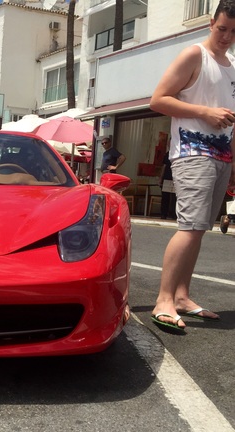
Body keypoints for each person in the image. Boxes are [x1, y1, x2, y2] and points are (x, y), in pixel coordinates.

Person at [149, 0, 235, 332]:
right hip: (192, 152)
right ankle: (164, 300)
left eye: (233, 31)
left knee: (200, 229)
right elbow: (158, 99)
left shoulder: (232, 65)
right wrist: (205, 112)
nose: (226, 37)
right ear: (211, 23)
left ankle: (182, 297)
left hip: (222, 156)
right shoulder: (193, 55)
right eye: (222, 29)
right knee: (190, 226)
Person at [158, 150, 177, 219]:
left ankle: (174, 214)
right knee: (165, 197)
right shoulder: (168, 154)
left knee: (175, 197)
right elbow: (164, 166)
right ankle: (163, 214)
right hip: (167, 178)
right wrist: (161, 178)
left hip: (176, 178)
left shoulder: (180, 153)